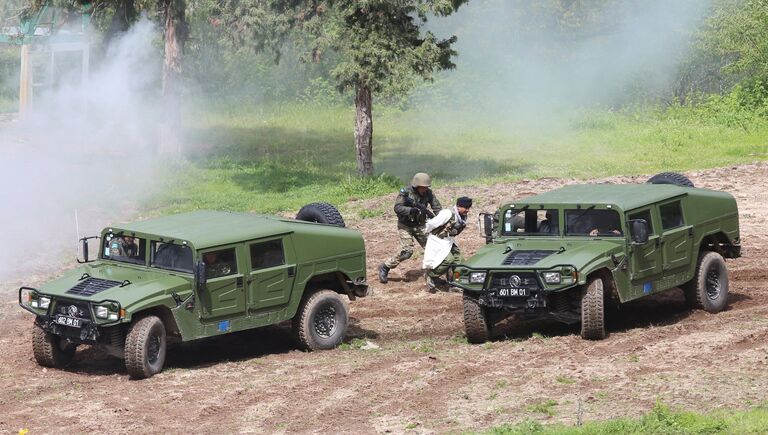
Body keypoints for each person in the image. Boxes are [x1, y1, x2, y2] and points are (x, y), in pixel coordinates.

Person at [378, 172, 442, 283]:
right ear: (417, 186)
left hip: (421, 225)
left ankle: (433, 276)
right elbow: (397, 207)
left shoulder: (429, 193)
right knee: (406, 252)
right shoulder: (405, 192)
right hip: (405, 226)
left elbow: (436, 207)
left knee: (433, 249)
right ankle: (385, 267)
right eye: (423, 187)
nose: (425, 190)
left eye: (427, 187)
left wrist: (442, 218)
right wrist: (410, 210)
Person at [423, 196, 472, 292]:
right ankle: (431, 276)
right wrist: (428, 233)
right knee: (448, 260)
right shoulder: (447, 213)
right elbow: (431, 224)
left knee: (459, 261)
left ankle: (455, 282)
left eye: (468, 208)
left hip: (449, 241)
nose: (467, 210)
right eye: (465, 208)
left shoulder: (462, 217)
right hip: (438, 241)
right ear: (458, 206)